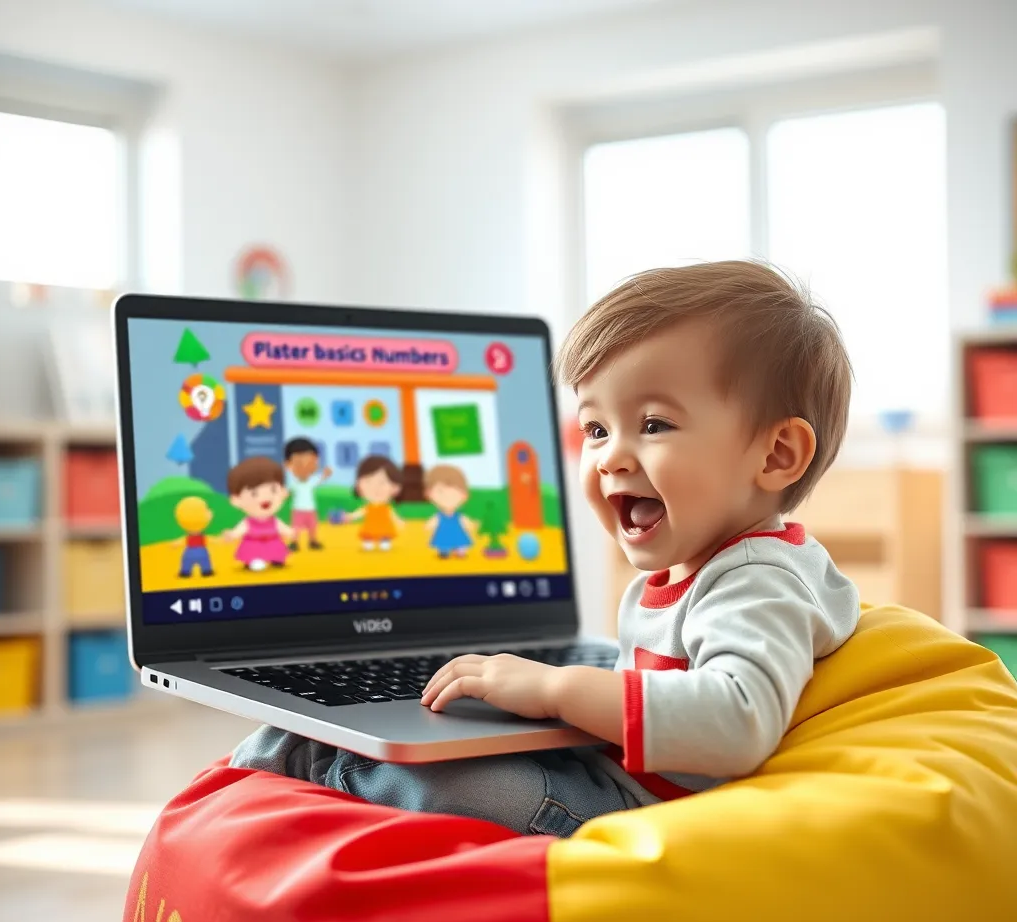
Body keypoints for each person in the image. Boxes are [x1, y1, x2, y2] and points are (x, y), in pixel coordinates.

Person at [231, 261, 860, 837]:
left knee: (452, 777)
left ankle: (305, 768)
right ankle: (299, 758)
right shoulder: (691, 569)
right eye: (595, 427)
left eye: (654, 424)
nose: (609, 455)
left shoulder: (758, 580)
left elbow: (737, 721)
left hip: (647, 819)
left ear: (776, 455)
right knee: (451, 730)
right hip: (616, 778)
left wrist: (557, 691)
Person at [225, 456, 295, 571]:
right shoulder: (248, 523)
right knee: (254, 558)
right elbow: (240, 530)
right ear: (236, 500)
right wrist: (232, 535)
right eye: (254, 494)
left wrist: (290, 532)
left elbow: (282, 527)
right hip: (253, 545)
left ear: (283, 492)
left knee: (277, 553)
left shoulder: (274, 521)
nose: (265, 498)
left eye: (273, 490)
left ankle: (276, 559)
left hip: (273, 542)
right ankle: (253, 561)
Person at [344, 455, 404, 552]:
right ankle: (369, 543)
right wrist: (350, 516)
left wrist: (399, 521)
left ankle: (384, 543)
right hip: (370, 526)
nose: (376, 488)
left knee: (385, 536)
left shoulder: (386, 507)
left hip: (384, 527)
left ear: (395, 487)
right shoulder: (368, 507)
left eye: (382, 482)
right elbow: (359, 513)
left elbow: (393, 515)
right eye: (368, 482)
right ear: (359, 486)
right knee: (368, 536)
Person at [284, 437, 332, 551]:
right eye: (299, 464)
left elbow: (320, 479)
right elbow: (287, 492)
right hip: (298, 509)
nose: (304, 468)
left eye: (310, 464)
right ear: (288, 465)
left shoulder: (311, 481)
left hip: (310, 509)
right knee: (296, 527)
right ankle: (294, 542)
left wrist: (326, 474)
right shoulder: (294, 483)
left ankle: (313, 541)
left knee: (313, 526)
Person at [424, 464, 477, 558]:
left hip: (457, 533)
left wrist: (471, 524)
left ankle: (460, 551)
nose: (448, 497)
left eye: (454, 493)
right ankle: (444, 551)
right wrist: (429, 525)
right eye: (440, 492)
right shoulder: (439, 517)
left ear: (464, 495)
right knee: (443, 542)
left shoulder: (459, 516)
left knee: (460, 541)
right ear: (429, 494)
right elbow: (432, 523)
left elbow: (466, 522)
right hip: (443, 533)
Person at [173, 495, 214, 578]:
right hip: (202, 552)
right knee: (205, 562)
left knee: (187, 562)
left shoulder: (189, 537)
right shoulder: (202, 537)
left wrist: (175, 544)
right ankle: (206, 571)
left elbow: (182, 541)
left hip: (189, 553)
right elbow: (211, 540)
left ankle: (186, 572)